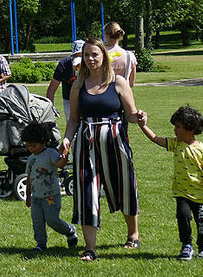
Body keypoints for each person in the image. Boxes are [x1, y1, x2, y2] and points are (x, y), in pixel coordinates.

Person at [60, 38, 145, 261]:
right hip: (85, 144)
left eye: (95, 54)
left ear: (103, 57)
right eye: (87, 55)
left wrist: (139, 117)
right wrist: (67, 140)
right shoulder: (78, 85)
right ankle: (90, 248)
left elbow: (130, 114)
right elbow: (74, 120)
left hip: (115, 141)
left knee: (123, 186)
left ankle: (133, 233)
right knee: (86, 191)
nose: (90, 59)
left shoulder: (118, 82)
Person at [137, 106, 203, 260]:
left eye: (178, 127)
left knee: (202, 222)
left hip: (200, 195)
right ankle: (186, 245)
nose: (175, 130)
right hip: (182, 193)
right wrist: (143, 126)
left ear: (191, 129)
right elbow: (155, 139)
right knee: (183, 218)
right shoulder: (176, 144)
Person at [22, 121, 78, 254]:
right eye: (28, 145)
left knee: (52, 220)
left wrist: (64, 157)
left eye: (34, 145)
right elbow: (29, 177)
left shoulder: (50, 153)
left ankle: (70, 231)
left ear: (43, 142)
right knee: (37, 222)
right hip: (36, 197)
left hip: (50, 196)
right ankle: (41, 244)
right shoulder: (31, 159)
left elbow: (59, 164)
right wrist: (28, 195)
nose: (31, 148)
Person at [45, 40, 83, 122]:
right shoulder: (64, 64)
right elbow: (52, 89)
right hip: (68, 98)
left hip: (85, 97)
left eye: (82, 55)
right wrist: (49, 109)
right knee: (71, 123)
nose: (79, 58)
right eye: (76, 55)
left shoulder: (90, 63)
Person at [104, 22, 136, 88]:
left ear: (106, 35)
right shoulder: (130, 56)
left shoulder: (101, 55)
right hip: (124, 93)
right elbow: (131, 83)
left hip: (105, 93)